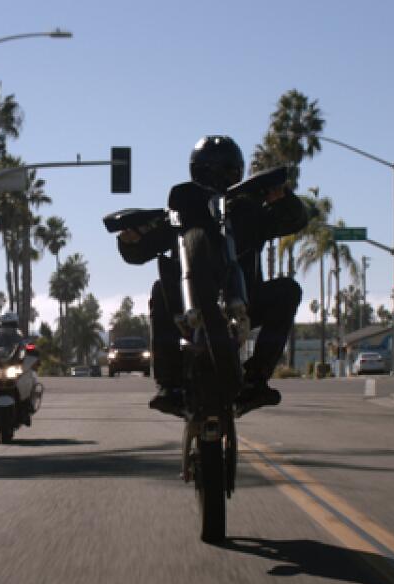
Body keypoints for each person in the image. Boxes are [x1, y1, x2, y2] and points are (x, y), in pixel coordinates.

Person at [116, 135, 308, 415]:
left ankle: (256, 379)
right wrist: (130, 238)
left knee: (288, 290)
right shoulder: (179, 216)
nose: (217, 177)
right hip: (186, 305)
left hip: (247, 302)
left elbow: (295, 220)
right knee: (160, 289)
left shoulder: (249, 212)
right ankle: (169, 385)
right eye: (208, 170)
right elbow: (137, 253)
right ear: (195, 172)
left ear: (238, 173)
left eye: (226, 170)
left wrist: (283, 198)